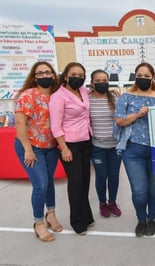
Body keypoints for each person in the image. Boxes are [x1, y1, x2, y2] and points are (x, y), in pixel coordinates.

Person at [114, 62, 155, 237]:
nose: (143, 78)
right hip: (133, 151)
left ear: (153, 78)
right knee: (139, 190)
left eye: (147, 76)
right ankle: (141, 219)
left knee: (154, 188)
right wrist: (137, 114)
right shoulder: (126, 97)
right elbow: (119, 121)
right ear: (135, 76)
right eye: (140, 75)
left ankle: (151, 219)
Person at [14, 61, 62, 242]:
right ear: (34, 77)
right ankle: (38, 222)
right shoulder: (28, 95)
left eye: (47, 72)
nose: (44, 76)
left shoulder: (57, 94)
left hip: (50, 148)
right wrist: (27, 149)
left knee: (49, 182)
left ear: (53, 75)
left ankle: (51, 213)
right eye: (40, 73)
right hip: (31, 147)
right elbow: (20, 123)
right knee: (40, 185)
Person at [49, 62, 95, 235]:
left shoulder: (83, 91)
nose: (78, 78)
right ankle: (77, 222)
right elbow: (55, 126)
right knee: (75, 183)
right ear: (66, 76)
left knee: (84, 181)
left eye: (81, 75)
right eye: (74, 74)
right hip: (69, 144)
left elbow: (90, 99)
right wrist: (64, 148)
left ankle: (87, 216)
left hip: (85, 140)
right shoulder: (58, 96)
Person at [89, 69, 122, 218]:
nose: (102, 83)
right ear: (92, 83)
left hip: (115, 146)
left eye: (105, 80)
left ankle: (113, 202)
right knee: (101, 176)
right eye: (98, 81)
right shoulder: (87, 99)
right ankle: (102, 203)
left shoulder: (114, 98)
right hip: (98, 147)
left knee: (114, 176)